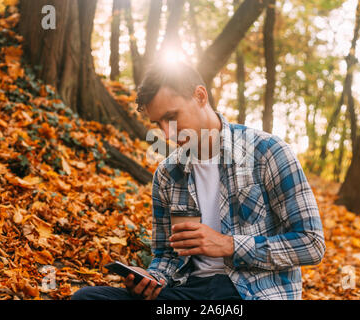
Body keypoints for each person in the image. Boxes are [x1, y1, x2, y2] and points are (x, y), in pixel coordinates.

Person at [71, 62, 325, 300]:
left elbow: (311, 244)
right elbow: (166, 255)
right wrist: (153, 278)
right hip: (188, 292)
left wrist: (228, 245)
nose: (167, 133)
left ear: (200, 96)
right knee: (87, 297)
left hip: (254, 292)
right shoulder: (168, 174)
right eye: (158, 123)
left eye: (172, 116)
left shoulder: (268, 151)